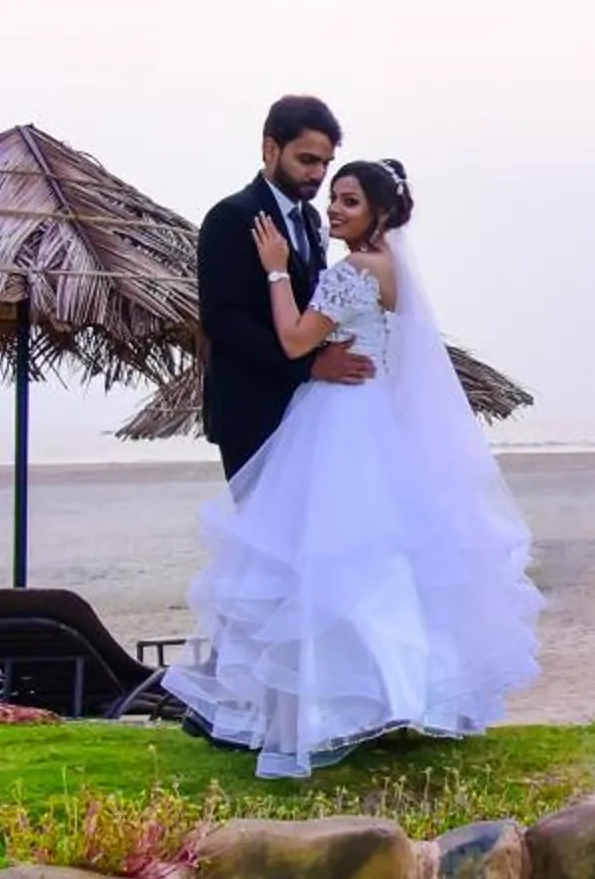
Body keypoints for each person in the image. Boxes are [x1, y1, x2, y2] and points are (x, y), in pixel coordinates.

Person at [164, 158, 543, 775]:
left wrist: (276, 270)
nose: (334, 209)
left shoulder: (353, 271)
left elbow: (294, 340)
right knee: (383, 564)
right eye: (334, 197)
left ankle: (330, 710)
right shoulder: (392, 270)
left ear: (380, 212)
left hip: (338, 419)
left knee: (324, 562)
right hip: (376, 419)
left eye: (349, 201)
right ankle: (400, 696)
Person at [197, 95, 375, 481]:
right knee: (264, 522)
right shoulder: (231, 216)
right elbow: (223, 321)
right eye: (307, 160)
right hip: (252, 411)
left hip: (308, 412)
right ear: (270, 149)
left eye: (325, 163)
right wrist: (310, 366)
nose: (317, 174)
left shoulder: (310, 218)